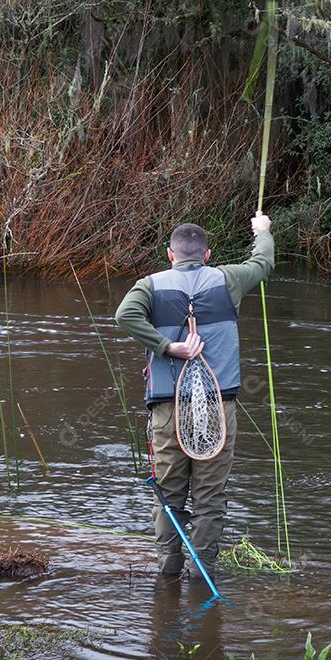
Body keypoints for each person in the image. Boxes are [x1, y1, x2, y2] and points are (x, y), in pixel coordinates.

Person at [115, 212, 274, 578]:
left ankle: (168, 575)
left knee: (168, 496)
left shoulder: (149, 285)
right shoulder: (228, 278)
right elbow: (262, 261)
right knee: (210, 498)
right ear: (207, 254)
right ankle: (202, 576)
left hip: (167, 408)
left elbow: (124, 316)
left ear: (170, 254)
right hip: (219, 408)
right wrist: (262, 231)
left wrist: (167, 347)